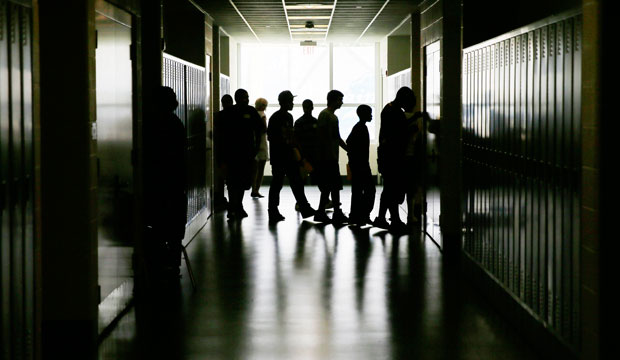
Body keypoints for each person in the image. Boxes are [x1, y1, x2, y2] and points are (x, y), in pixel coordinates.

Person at [145, 86, 187, 277]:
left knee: (158, 225)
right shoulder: (176, 123)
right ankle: (173, 264)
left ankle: (158, 263)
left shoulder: (150, 123)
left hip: (156, 182)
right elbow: (181, 156)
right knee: (175, 227)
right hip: (175, 182)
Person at [267, 90, 316, 222]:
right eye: (291, 101)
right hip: (280, 156)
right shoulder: (276, 118)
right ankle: (274, 210)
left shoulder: (287, 117)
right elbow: (272, 137)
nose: (293, 104)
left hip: (287, 156)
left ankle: (303, 208)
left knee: (295, 182)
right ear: (285, 102)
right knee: (279, 184)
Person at [373, 86, 416, 233]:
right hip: (393, 156)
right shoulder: (395, 112)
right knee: (393, 189)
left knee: (388, 189)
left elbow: (396, 128)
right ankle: (395, 221)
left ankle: (381, 218)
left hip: (387, 155)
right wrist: (410, 130)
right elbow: (397, 133)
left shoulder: (389, 108)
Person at [222, 89, 264, 220]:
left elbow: (260, 129)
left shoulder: (251, 111)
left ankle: (237, 205)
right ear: (237, 99)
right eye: (244, 97)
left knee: (242, 181)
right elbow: (223, 135)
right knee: (232, 181)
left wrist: (256, 147)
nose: (247, 100)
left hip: (247, 152)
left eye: (247, 97)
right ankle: (234, 206)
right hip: (233, 153)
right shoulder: (230, 112)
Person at [314, 90, 348, 224]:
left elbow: (336, 138)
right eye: (340, 100)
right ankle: (328, 212)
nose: (341, 103)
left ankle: (325, 212)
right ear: (333, 100)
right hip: (327, 158)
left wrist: (347, 149)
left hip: (330, 157)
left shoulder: (330, 116)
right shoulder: (326, 115)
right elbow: (325, 137)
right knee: (332, 186)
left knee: (332, 186)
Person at [346, 105, 376, 226]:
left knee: (358, 191)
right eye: (369, 113)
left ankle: (356, 216)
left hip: (357, 164)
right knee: (369, 190)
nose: (371, 115)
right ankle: (363, 215)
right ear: (364, 115)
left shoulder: (359, 127)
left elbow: (349, 142)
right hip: (361, 165)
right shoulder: (361, 128)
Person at [213, 94, 233, 211]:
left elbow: (217, 133)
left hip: (222, 151)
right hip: (233, 151)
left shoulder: (219, 116)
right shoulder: (236, 115)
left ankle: (221, 198)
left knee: (221, 177)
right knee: (233, 180)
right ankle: (233, 202)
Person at [251, 97, 269, 198]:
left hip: (253, 143)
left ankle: (253, 188)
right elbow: (264, 128)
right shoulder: (262, 115)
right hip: (261, 142)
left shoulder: (253, 114)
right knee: (260, 169)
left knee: (254, 169)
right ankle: (256, 190)